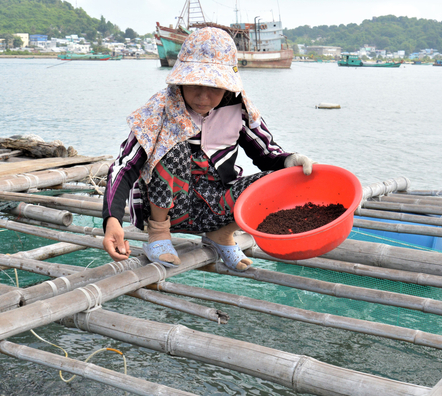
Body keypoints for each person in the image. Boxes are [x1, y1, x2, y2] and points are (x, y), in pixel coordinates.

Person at [102, 27, 313, 271]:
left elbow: (267, 155)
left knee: (281, 178)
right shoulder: (160, 109)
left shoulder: (239, 109)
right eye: (194, 85)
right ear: (181, 80)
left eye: (213, 87)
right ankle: (159, 235)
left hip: (217, 208)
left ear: (227, 86)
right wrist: (112, 219)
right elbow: (125, 165)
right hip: (170, 208)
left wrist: (291, 161)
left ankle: (221, 234)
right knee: (174, 146)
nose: (203, 96)